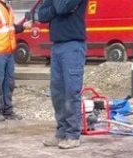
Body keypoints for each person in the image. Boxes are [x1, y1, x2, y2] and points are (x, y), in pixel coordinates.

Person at [35, 0, 87, 149]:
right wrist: (54, 10)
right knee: (57, 93)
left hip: (73, 46)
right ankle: (61, 132)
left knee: (71, 91)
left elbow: (62, 7)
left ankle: (72, 135)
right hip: (57, 46)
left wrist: (54, 9)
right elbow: (41, 15)